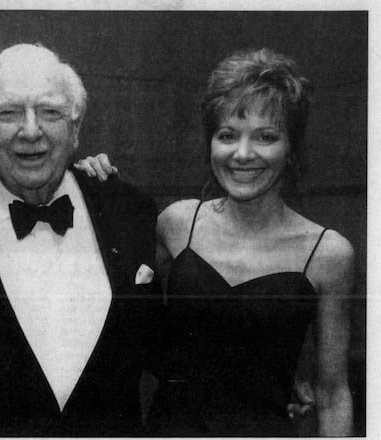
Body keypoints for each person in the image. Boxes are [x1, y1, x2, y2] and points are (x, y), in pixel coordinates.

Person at [83, 48, 354, 436]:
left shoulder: (329, 254)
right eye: (227, 135)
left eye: (266, 136)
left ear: (291, 148)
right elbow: (124, 316)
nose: (243, 154)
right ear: (210, 143)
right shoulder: (176, 223)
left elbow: (332, 395)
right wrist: (89, 181)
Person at [0, 43, 159, 436]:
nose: (31, 130)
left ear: (76, 129)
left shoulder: (129, 211)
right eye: (9, 113)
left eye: (50, 112)